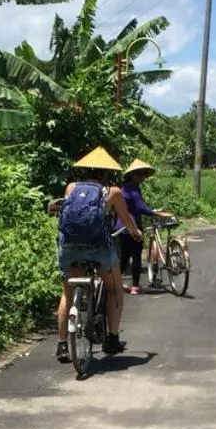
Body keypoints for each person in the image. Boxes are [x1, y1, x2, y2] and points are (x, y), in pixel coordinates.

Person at [48, 146, 141, 363]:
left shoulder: (71, 187)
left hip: (69, 247)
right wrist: (136, 233)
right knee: (114, 288)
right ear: (107, 172)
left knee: (67, 293)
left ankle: (62, 345)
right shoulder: (113, 192)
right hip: (99, 248)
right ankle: (112, 339)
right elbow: (126, 220)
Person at [119, 159, 173, 292]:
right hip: (133, 226)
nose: (142, 177)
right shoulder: (133, 188)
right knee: (136, 256)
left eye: (143, 174)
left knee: (125, 256)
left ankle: (118, 282)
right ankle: (135, 286)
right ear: (132, 174)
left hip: (120, 227)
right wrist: (157, 214)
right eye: (139, 174)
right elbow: (140, 207)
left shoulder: (122, 187)